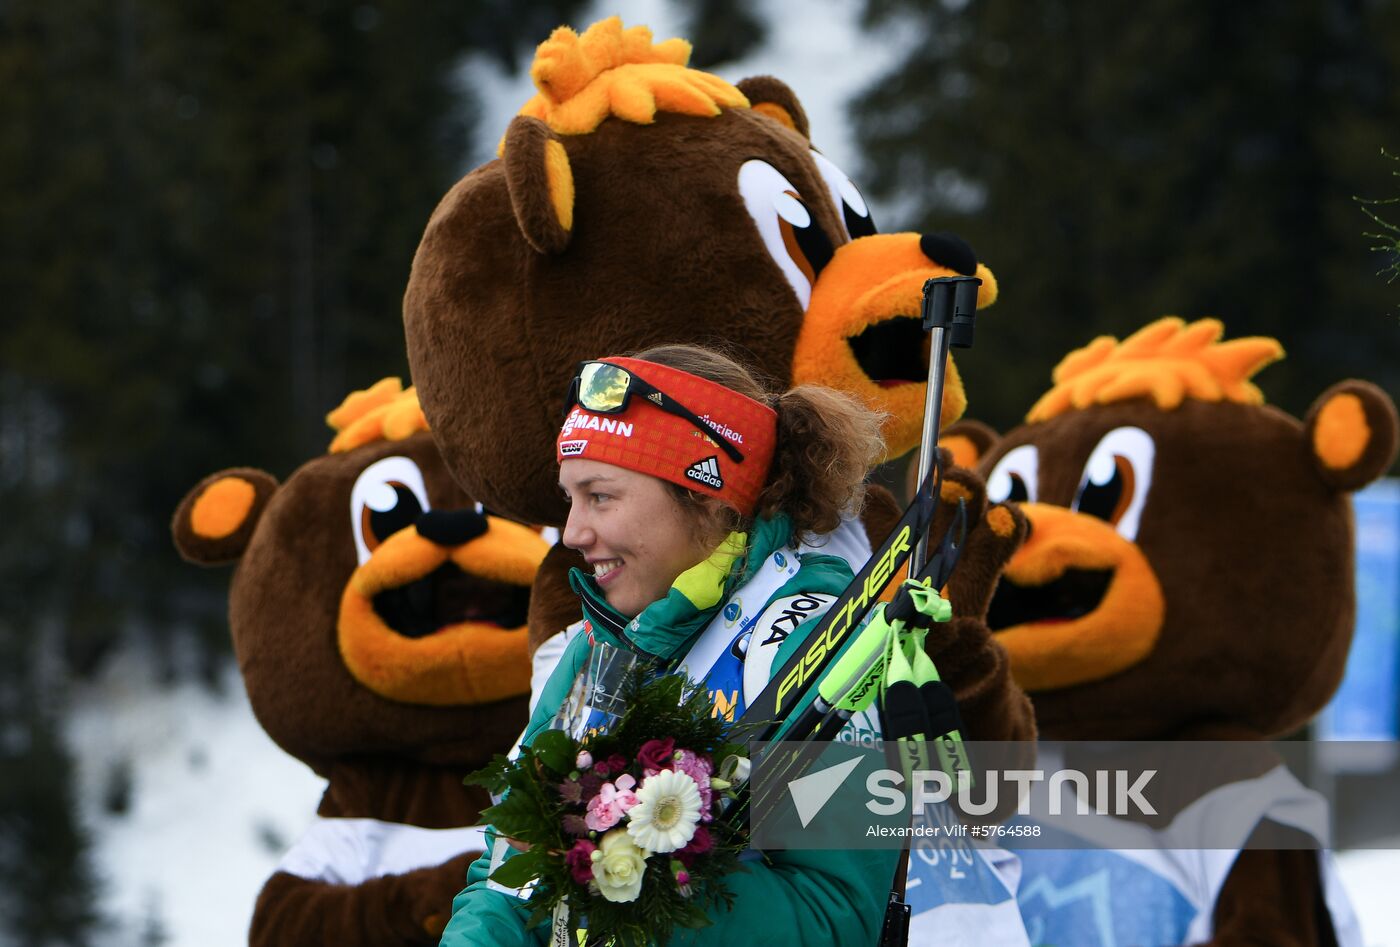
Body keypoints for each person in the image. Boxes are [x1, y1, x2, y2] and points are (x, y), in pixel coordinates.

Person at [438, 343, 901, 945]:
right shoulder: (595, 651)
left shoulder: (817, 639)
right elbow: (506, 874)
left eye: (600, 495)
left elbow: (838, 914)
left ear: (709, 497)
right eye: (569, 498)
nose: (574, 532)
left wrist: (624, 880)